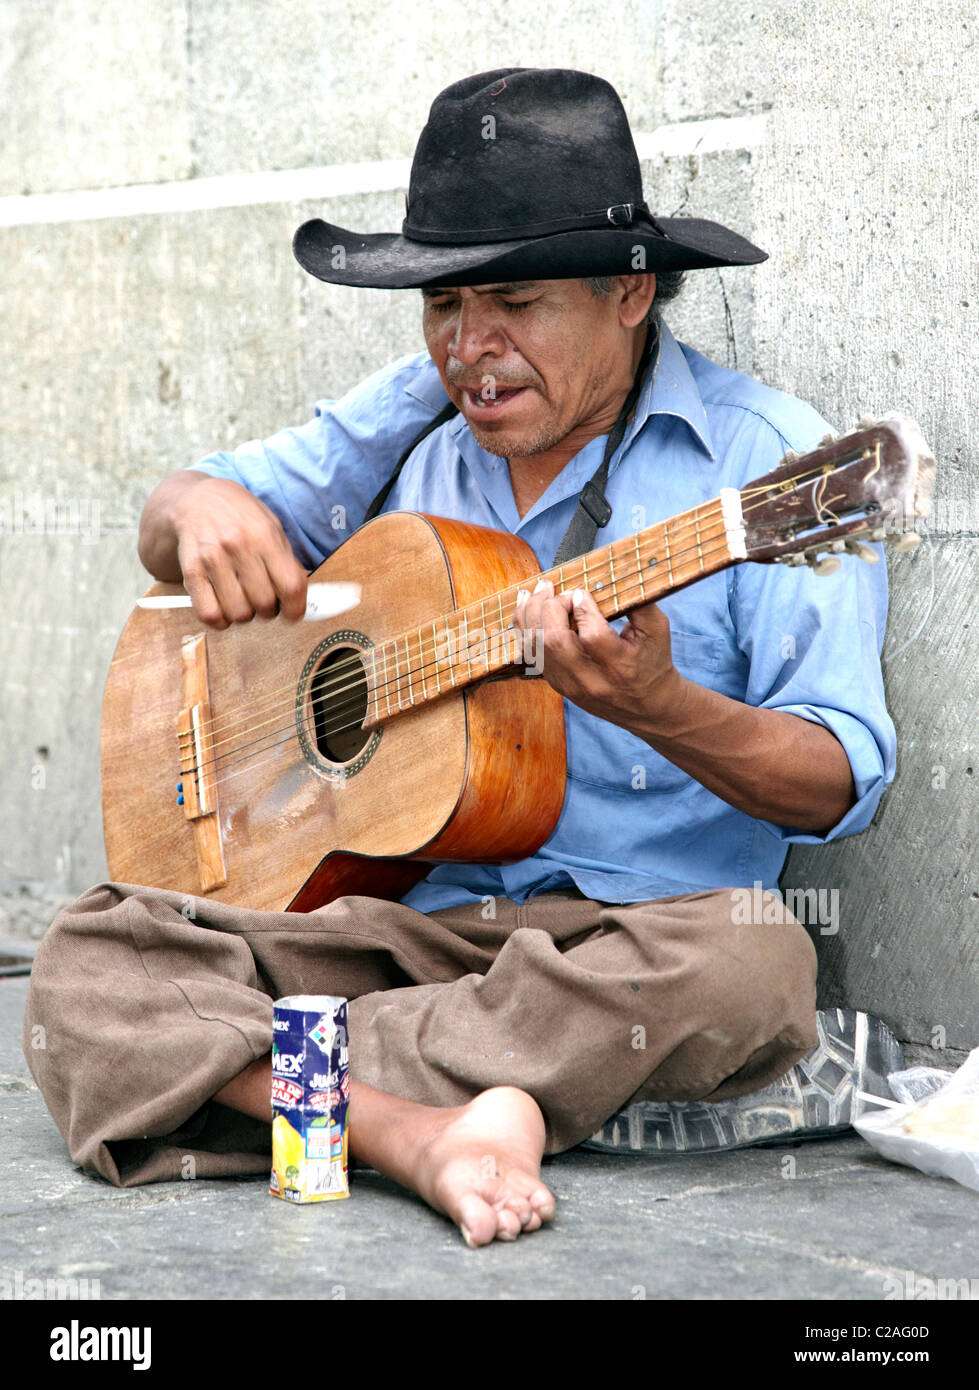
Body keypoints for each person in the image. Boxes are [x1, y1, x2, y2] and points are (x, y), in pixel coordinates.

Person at [25, 69, 899, 1249]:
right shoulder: (412, 423)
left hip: (634, 940)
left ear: (630, 288)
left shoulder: (767, 470)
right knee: (85, 960)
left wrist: (663, 708)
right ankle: (424, 1125)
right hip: (413, 935)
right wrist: (193, 510)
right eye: (441, 304)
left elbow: (839, 782)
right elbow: (185, 514)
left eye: (517, 303)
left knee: (756, 964)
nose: (469, 349)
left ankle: (289, 1083)